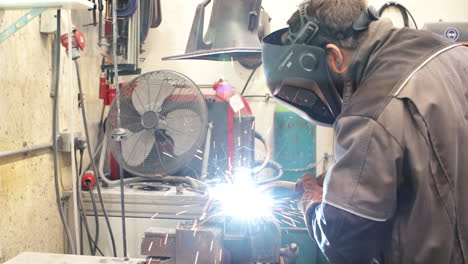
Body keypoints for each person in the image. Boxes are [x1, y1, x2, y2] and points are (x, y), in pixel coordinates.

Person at [261, 0, 468, 263]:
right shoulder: (449, 53)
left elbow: (344, 243)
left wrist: (313, 202)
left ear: (334, 57)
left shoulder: (370, 110)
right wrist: (350, 175)